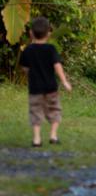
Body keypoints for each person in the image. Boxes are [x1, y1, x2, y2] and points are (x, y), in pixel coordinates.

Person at [19, 17, 72, 147]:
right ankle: (53, 136)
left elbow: (25, 68)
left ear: (31, 33)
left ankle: (37, 139)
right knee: (54, 110)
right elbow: (57, 66)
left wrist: (31, 74)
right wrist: (64, 81)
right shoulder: (51, 49)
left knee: (35, 111)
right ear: (49, 33)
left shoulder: (28, 50)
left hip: (35, 88)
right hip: (51, 88)